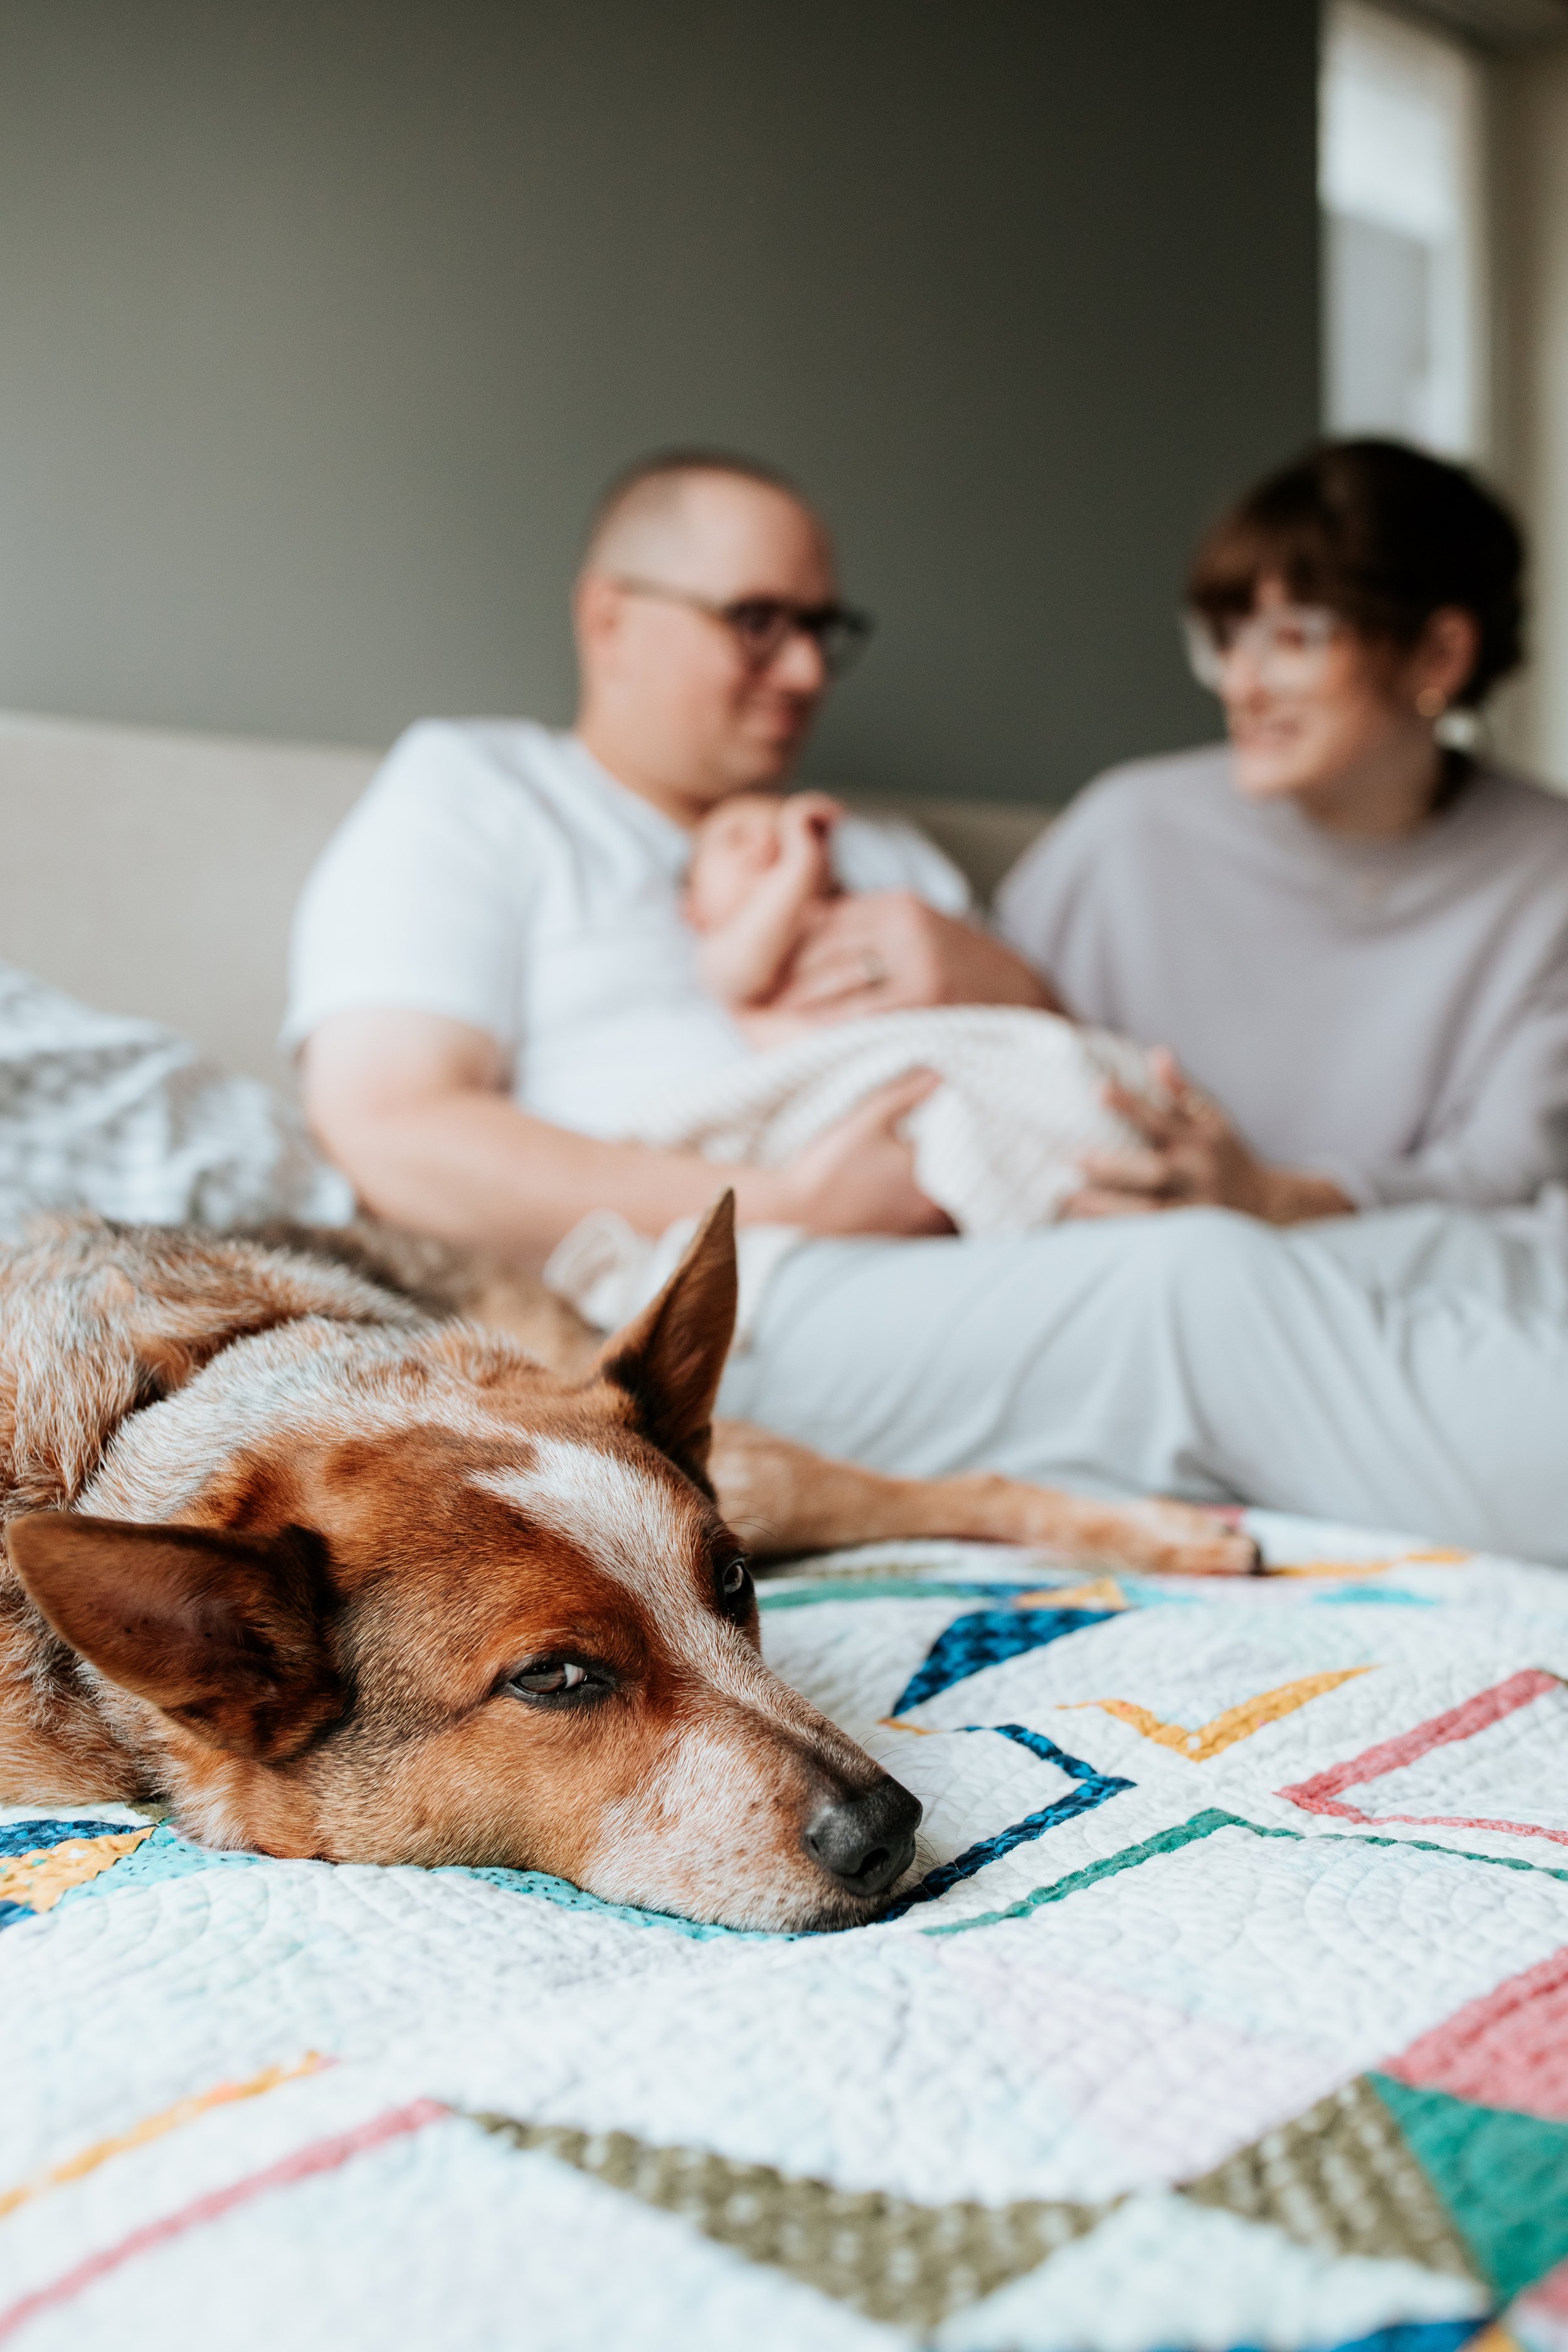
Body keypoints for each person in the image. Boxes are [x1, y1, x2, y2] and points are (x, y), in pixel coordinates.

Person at [289, 447, 1568, 1563]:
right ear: (609, 619)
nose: (800, 668)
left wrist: (1002, 983)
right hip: (732, 1302)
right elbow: (390, 1130)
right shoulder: (481, 796)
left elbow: (1042, 1067)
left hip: (991, 1256)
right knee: (1193, 1295)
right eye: (754, 620)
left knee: (1454, 1249)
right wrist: (788, 1207)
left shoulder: (888, 858)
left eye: (822, 628)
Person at [998, 438, 1568, 1223]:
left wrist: (1278, 1198)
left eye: (1293, 639)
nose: (1241, 684)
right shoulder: (1125, 833)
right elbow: (987, 1078)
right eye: (1228, 638)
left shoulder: (1548, 871)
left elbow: (1515, 1171)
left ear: (1439, 655)